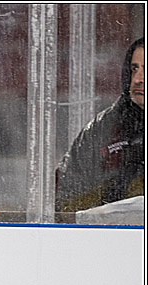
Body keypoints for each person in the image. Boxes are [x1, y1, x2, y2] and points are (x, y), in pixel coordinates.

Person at [56, 37, 145, 213]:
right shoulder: (102, 128)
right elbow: (65, 200)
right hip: (107, 236)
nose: (138, 79)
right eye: (134, 69)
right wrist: (111, 191)